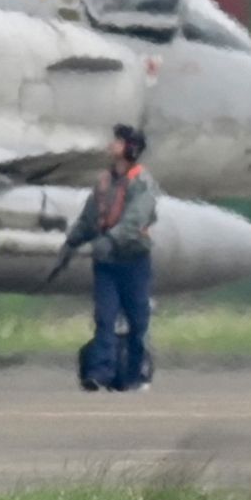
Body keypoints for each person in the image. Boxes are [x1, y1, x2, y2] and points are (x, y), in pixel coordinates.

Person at [69, 125, 162, 392]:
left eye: (119, 142)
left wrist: (109, 241)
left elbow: (135, 219)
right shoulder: (104, 181)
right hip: (107, 264)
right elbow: (90, 217)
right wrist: (72, 240)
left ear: (131, 148)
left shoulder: (142, 183)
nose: (113, 146)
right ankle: (99, 374)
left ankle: (133, 375)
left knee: (137, 322)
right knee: (105, 318)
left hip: (133, 261)